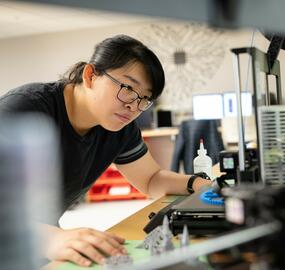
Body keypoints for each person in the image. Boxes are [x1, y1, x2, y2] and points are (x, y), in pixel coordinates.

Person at [0, 35, 211, 267]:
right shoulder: (24, 109)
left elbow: (151, 179)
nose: (133, 106)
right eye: (128, 88)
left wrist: (200, 184)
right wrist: (52, 238)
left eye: (144, 99)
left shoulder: (119, 127)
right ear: (90, 75)